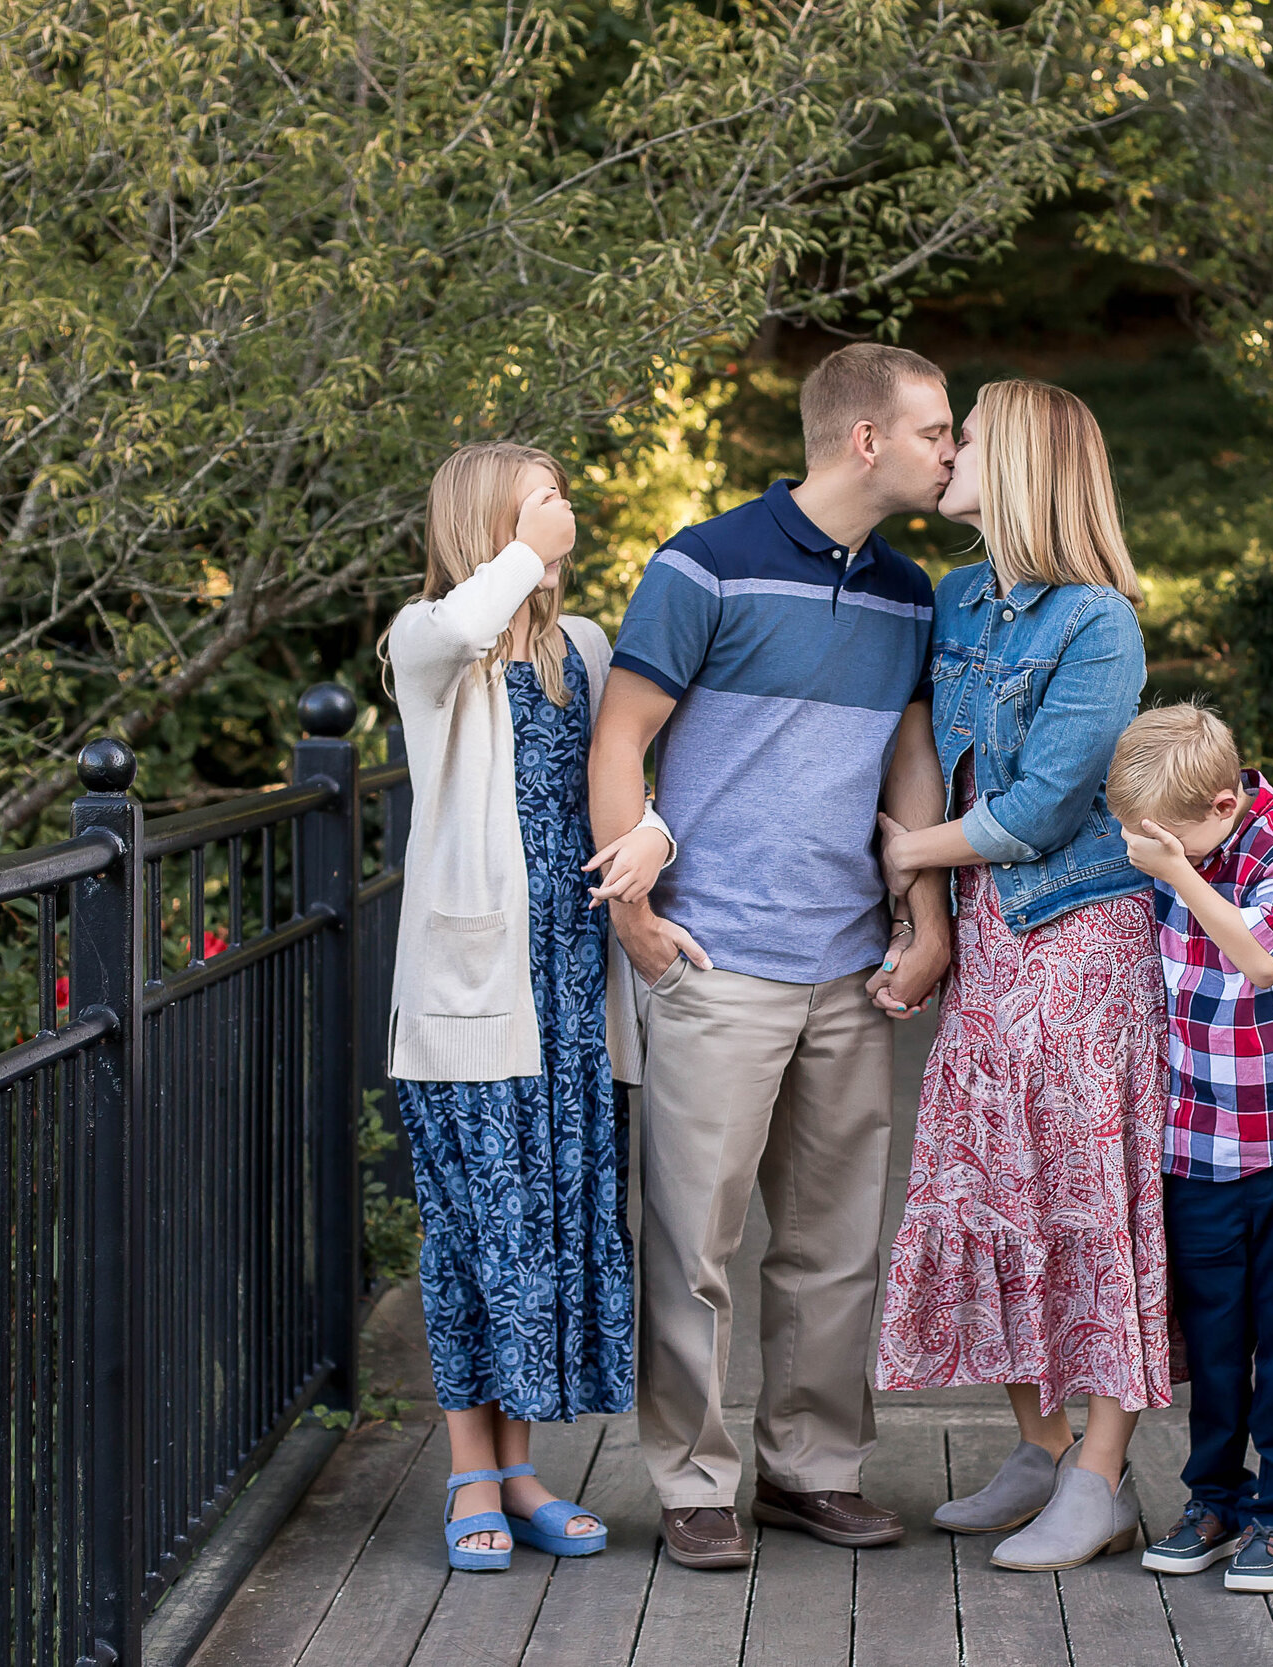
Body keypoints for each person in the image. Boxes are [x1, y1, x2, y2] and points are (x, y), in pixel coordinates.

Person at [586, 343, 956, 1570]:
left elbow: (909, 763)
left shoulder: (912, 591)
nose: (948, 449)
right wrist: (632, 917)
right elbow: (620, 736)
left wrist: (922, 914)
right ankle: (695, 1481)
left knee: (834, 1240)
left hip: (848, 964)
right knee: (694, 1242)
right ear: (866, 440)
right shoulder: (703, 564)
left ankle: (811, 1470)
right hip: (717, 956)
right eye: (933, 429)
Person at [872, 378, 1170, 1572]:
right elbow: (919, 747)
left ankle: (1100, 1476)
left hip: (1082, 943)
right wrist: (929, 899)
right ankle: (1043, 1446)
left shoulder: (1099, 621)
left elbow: (1044, 805)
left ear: (1028, 465)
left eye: (969, 436)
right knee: (988, 1187)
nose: (948, 453)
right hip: (994, 947)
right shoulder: (957, 601)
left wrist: (909, 852)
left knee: (1089, 1200)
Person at [381, 441, 675, 1572]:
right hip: (470, 997)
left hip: (570, 992)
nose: (566, 513)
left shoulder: (587, 648)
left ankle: (517, 1470)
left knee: (547, 1234)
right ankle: (466, 1468)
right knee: (472, 1235)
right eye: (544, 499)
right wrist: (521, 553)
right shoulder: (425, 644)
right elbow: (464, 626)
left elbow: (638, 776)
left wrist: (653, 834)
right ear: (490, 526)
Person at [1108, 702, 1273, 1595]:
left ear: (1222, 802)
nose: (1155, 851)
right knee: (1212, 1337)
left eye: (1171, 838)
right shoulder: (1172, 843)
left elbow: (1258, 959)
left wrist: (1180, 872)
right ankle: (1215, 1497)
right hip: (1200, 1139)